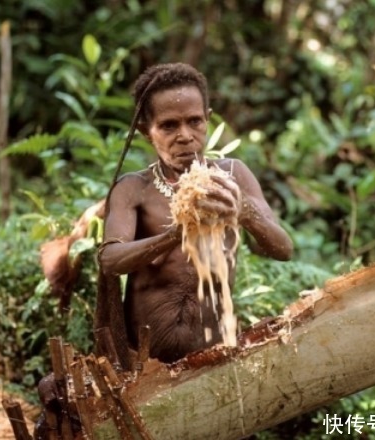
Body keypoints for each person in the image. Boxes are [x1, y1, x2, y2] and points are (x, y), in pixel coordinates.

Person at [96, 62, 293, 365]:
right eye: (169, 126)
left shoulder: (233, 176)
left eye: (195, 122)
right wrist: (175, 234)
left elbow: (283, 249)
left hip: (214, 358)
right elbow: (110, 260)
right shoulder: (134, 188)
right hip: (146, 363)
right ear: (146, 131)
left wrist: (245, 211)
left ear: (208, 120)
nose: (185, 135)